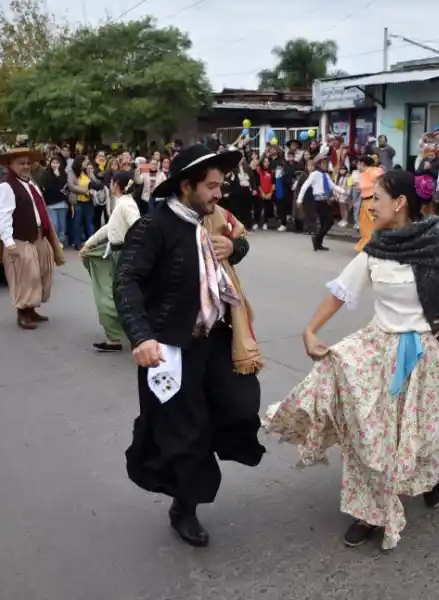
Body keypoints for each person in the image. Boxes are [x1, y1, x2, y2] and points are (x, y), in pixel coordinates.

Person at [265, 169, 439, 549]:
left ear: (399, 202)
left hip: (427, 351)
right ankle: (369, 512)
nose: (369, 205)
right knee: (369, 432)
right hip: (378, 349)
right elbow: (340, 293)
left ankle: (429, 476)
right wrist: (310, 330)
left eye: (375, 198)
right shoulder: (377, 246)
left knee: (421, 431)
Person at [113, 144, 265, 548]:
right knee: (185, 432)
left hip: (216, 341)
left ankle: (205, 451)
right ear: (186, 187)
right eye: (212, 186)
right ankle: (185, 505)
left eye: (220, 186)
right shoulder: (153, 227)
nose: (219, 194)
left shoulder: (213, 219)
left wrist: (234, 247)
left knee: (239, 406)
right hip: (172, 348)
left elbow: (241, 244)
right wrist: (142, 336)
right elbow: (126, 281)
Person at [0, 148, 66, 330]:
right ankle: (22, 312)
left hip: (38, 235)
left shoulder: (30, 182)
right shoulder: (6, 186)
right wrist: (9, 243)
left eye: (27, 163)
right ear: (11, 165)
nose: (25, 166)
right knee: (25, 276)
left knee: (41, 272)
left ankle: (31, 309)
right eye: (21, 163)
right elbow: (4, 216)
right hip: (20, 238)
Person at [80, 170, 141, 352]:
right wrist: (89, 243)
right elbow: (109, 228)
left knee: (118, 296)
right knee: (116, 295)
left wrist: (134, 249)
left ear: (116, 185)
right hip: (116, 253)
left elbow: (137, 227)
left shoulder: (126, 205)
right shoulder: (123, 203)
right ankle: (116, 337)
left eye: (112, 182)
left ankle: (131, 336)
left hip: (122, 254)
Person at [296, 156, 346, 252]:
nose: (325, 165)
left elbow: (333, 186)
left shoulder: (326, 175)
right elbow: (304, 186)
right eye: (323, 163)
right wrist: (299, 200)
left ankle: (319, 243)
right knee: (329, 221)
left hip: (326, 201)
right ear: (318, 165)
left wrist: (343, 192)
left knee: (324, 223)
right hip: (318, 201)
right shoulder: (314, 174)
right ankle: (317, 238)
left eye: (326, 163)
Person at [354, 155, 384, 251]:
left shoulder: (373, 171)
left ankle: (374, 244)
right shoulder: (363, 173)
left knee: (372, 223)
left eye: (358, 164)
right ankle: (367, 244)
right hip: (365, 200)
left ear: (362, 164)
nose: (357, 166)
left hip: (372, 201)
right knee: (364, 224)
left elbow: (381, 179)